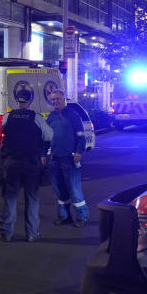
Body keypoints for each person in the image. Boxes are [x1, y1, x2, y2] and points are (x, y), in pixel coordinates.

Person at [0, 87, 52, 242]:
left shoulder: (8, 116)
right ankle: (31, 234)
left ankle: (7, 233)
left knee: (10, 198)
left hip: (12, 163)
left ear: (17, 100)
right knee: (32, 199)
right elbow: (49, 136)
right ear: (30, 101)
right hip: (31, 164)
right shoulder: (36, 118)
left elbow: (2, 131)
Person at [46, 90, 88, 227]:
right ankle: (64, 216)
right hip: (54, 159)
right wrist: (43, 154)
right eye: (53, 100)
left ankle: (82, 215)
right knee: (59, 189)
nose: (55, 102)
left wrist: (79, 151)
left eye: (57, 99)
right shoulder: (51, 117)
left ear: (64, 99)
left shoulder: (73, 115)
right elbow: (46, 138)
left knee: (74, 190)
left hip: (69, 159)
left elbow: (81, 136)